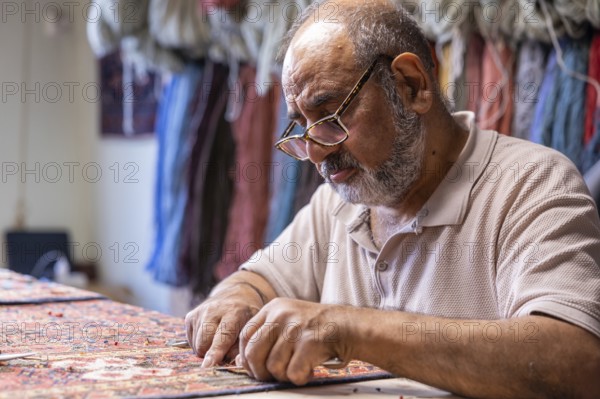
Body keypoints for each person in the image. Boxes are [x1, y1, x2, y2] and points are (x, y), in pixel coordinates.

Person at [185, 0, 600, 397]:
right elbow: (260, 279)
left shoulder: (531, 183)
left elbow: (576, 360)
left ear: (412, 85)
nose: (315, 151)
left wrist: (351, 330)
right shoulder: (345, 198)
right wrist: (235, 298)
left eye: (330, 117)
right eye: (302, 128)